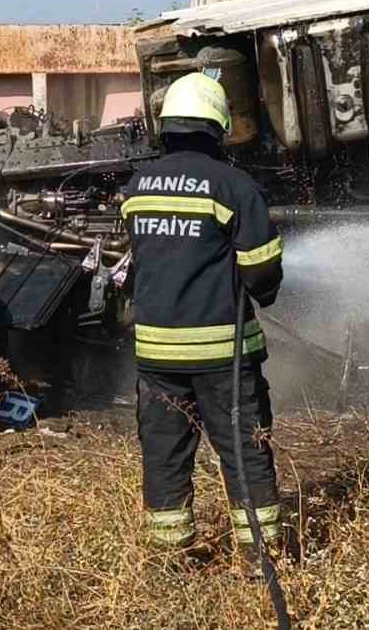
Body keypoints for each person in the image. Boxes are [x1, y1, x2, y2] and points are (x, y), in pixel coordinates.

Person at [120, 71, 285, 551]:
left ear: (166, 124)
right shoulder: (233, 185)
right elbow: (259, 267)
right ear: (219, 125)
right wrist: (267, 292)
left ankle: (172, 561)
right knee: (243, 451)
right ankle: (261, 559)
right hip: (222, 356)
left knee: (164, 455)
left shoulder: (137, 186)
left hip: (156, 358)